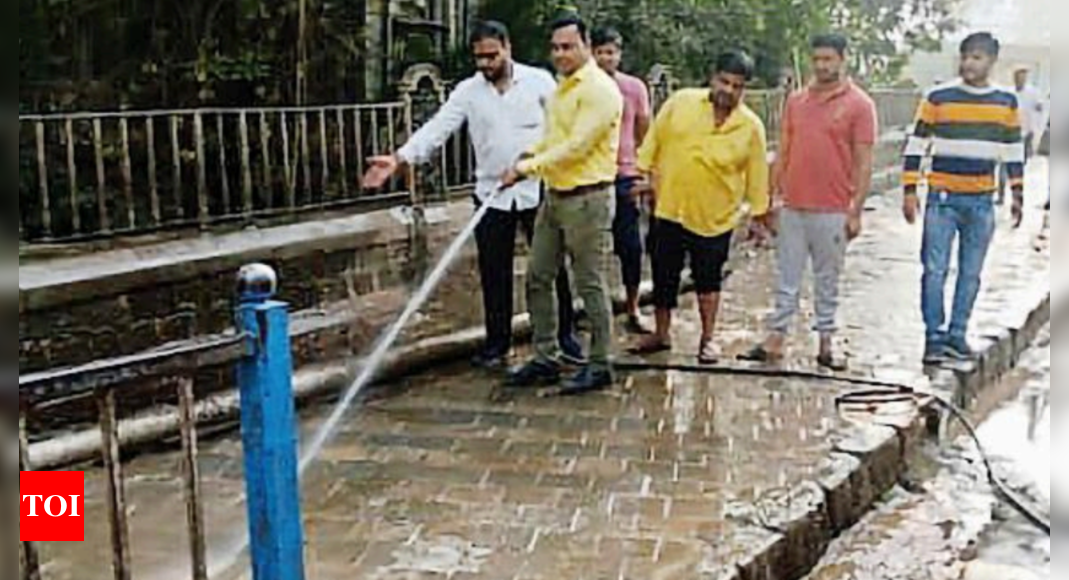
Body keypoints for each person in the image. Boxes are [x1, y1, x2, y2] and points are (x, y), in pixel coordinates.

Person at [361, 20, 584, 370]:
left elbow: (564, 128)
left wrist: (540, 162)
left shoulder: (540, 81)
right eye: (479, 57)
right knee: (493, 272)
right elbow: (438, 127)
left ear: (507, 48)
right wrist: (400, 157)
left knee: (551, 268)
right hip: (491, 194)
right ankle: (497, 344)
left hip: (536, 190)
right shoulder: (468, 91)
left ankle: (566, 335)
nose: (485, 64)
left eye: (492, 56)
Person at [500, 14, 623, 394]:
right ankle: (546, 357)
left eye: (568, 46)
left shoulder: (600, 90)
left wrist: (525, 168)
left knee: (590, 282)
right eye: (555, 47)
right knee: (538, 275)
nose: (560, 54)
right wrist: (531, 153)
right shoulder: (562, 89)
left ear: (585, 45)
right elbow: (554, 138)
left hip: (589, 199)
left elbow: (577, 147)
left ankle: (601, 363)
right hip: (554, 197)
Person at [739, 34, 878, 370]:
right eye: (817, 59)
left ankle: (827, 342)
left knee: (827, 278)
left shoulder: (860, 105)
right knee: (786, 276)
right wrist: (770, 198)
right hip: (793, 206)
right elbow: (783, 151)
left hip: (833, 208)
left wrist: (855, 210)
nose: (821, 65)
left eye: (828, 59)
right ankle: (776, 339)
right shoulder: (797, 102)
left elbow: (864, 161)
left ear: (843, 59)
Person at [628, 50, 772, 364]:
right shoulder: (680, 103)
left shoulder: (750, 127)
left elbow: (758, 175)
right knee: (664, 276)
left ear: (744, 89)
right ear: (712, 77)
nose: (729, 90)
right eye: (725, 81)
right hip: (669, 208)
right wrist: (644, 175)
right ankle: (661, 333)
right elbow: (653, 141)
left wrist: (759, 217)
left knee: (708, 281)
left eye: (737, 86)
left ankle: (707, 340)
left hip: (715, 217)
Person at [902, 32, 1026, 364]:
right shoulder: (939, 97)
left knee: (971, 272)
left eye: (978, 57)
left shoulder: (1005, 101)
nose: (970, 63)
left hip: (982, 200)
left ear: (991, 61)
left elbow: (1014, 149)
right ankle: (934, 337)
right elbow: (916, 144)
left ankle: (957, 334)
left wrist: (1017, 193)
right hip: (942, 198)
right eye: (966, 56)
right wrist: (909, 190)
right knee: (935, 269)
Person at [592, 27, 653, 335]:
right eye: (601, 51)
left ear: (620, 54)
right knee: (591, 250)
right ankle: (595, 311)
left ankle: (632, 306)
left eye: (611, 52)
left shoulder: (634, 88)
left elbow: (645, 131)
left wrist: (643, 170)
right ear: (592, 53)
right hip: (592, 178)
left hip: (625, 177)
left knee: (630, 247)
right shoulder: (581, 88)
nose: (606, 57)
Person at [998, 66, 1045, 205]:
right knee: (1003, 166)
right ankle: (1000, 196)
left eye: (1023, 76)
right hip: (1007, 136)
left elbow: (1040, 111)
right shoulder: (1008, 93)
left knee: (1018, 169)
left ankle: (1016, 199)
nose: (1020, 78)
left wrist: (1034, 132)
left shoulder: (1033, 93)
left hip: (1024, 136)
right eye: (1018, 75)